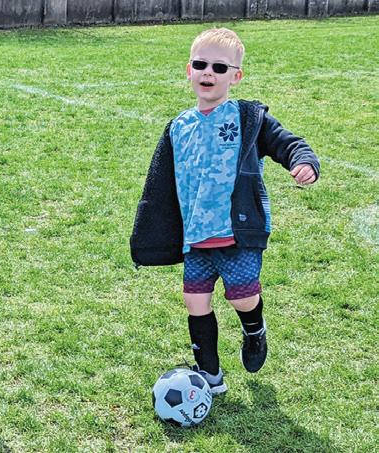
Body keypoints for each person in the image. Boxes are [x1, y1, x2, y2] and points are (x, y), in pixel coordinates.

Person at [130, 28, 319, 394]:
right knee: (195, 302)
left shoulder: (248, 118)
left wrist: (303, 161)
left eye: (219, 67)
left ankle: (254, 330)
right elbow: (159, 186)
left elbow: (287, 143)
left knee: (242, 297)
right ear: (189, 70)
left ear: (236, 76)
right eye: (201, 64)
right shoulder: (178, 127)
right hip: (195, 237)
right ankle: (211, 376)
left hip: (236, 235)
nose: (209, 73)